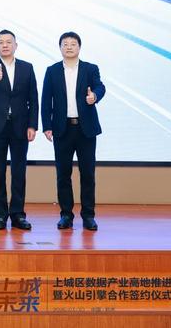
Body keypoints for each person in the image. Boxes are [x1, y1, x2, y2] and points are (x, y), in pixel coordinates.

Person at [41, 32, 106, 231]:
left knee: (88, 174)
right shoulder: (52, 71)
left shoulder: (90, 68)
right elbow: (46, 100)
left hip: (86, 129)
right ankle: (66, 215)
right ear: (60, 47)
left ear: (79, 47)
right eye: (65, 44)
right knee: (63, 174)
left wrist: (95, 96)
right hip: (62, 129)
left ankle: (88, 216)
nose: (69, 47)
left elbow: (100, 87)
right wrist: (47, 126)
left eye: (73, 44)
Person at [0, 30, 38, 231]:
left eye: (8, 42)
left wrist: (32, 125)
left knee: (19, 171)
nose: (5, 45)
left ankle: (18, 214)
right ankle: (0, 215)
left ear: (15, 45)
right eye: (0, 42)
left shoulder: (27, 67)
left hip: (20, 125)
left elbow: (33, 98)